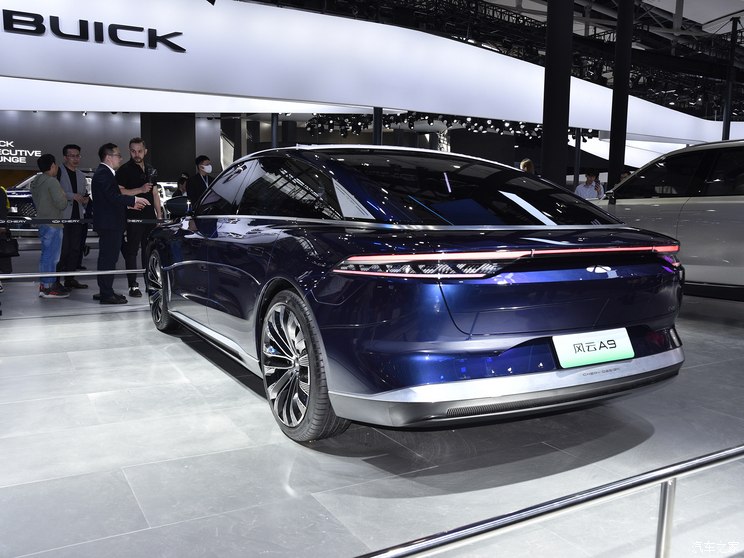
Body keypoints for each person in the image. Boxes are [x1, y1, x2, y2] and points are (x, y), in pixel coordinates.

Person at [92, 143, 150, 305]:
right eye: (118, 155)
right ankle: (106, 294)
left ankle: (106, 290)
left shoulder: (105, 173)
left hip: (110, 223)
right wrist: (133, 200)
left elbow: (110, 198)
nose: (121, 158)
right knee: (108, 259)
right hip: (109, 224)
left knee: (107, 258)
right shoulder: (104, 174)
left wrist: (129, 205)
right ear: (108, 157)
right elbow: (112, 196)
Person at [115, 137, 161, 298]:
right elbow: (119, 192)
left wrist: (159, 215)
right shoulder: (124, 170)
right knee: (132, 251)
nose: (136, 154)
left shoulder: (151, 169)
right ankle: (132, 285)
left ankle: (150, 283)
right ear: (129, 151)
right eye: (133, 151)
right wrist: (140, 189)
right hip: (132, 216)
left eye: (139, 151)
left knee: (149, 251)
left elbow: (155, 193)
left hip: (150, 218)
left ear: (145, 151)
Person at [30, 154, 69, 298]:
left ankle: (44, 285)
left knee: (46, 255)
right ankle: (48, 287)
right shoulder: (52, 182)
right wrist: (64, 195)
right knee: (52, 257)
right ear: (52, 165)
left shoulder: (35, 181)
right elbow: (62, 204)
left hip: (42, 222)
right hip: (53, 223)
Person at [56, 144, 90, 290]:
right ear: (65, 157)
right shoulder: (58, 172)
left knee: (75, 249)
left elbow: (84, 194)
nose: (75, 159)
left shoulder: (81, 175)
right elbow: (55, 192)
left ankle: (70, 279)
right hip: (62, 217)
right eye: (72, 156)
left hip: (78, 217)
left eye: (77, 156)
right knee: (62, 250)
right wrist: (72, 196)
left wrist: (85, 199)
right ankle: (56, 281)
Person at [0, 185, 12, 294]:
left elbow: (3, 209)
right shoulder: (2, 189)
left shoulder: (1, 190)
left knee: (3, 248)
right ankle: (6, 271)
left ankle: (6, 271)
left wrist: (3, 226)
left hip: (1, 226)